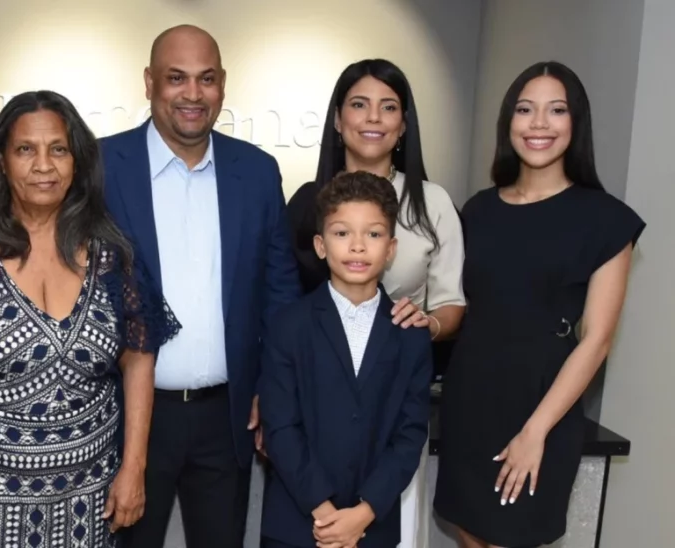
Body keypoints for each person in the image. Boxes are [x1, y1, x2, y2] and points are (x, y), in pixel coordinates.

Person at [0, 90, 180, 548]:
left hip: (88, 500)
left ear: (76, 162)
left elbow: (139, 356)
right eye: (26, 150)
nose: (43, 165)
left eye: (58, 149)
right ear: (2, 162)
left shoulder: (111, 252)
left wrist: (133, 468)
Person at [99, 24, 301, 548]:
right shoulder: (100, 169)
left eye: (206, 79)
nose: (193, 94)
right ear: (148, 82)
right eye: (176, 78)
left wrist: (272, 388)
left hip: (225, 416)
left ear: (223, 84)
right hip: (127, 417)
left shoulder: (256, 173)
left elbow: (280, 295)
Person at [433, 61, 645, 548]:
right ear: (509, 121)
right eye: (526, 110)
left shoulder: (606, 219)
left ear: (577, 123)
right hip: (471, 399)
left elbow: (597, 340)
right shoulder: (480, 209)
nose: (539, 124)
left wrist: (536, 433)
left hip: (543, 406)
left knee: (515, 534)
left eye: (557, 110)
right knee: (467, 528)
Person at [286, 58, 465, 548]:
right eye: (359, 105)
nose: (372, 118)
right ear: (338, 120)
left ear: (403, 125)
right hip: (311, 412)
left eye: (388, 108)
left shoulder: (432, 203)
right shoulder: (307, 202)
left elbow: (452, 304)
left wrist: (425, 323)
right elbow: (283, 299)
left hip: (391, 405)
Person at [259, 171, 432, 548]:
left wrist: (363, 513)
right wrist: (325, 513)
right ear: (320, 246)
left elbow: (410, 433)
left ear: (391, 248)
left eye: (373, 234)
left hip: (373, 526)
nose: (357, 246)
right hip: (297, 525)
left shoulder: (411, 334)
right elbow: (281, 427)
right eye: (342, 233)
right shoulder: (289, 326)